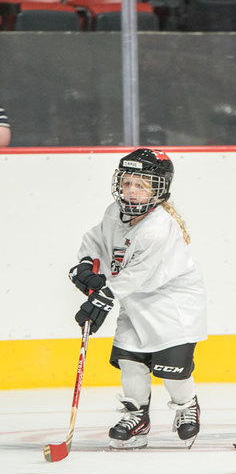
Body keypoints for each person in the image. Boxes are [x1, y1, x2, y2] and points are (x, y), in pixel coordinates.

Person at [70, 148, 206, 449]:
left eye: (141, 185)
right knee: (130, 360)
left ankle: (186, 406)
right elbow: (97, 238)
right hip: (134, 300)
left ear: (158, 190)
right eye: (127, 182)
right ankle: (137, 415)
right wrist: (84, 263)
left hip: (172, 305)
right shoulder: (113, 212)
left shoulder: (157, 228)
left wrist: (103, 296)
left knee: (172, 370)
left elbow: (137, 276)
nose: (131, 190)